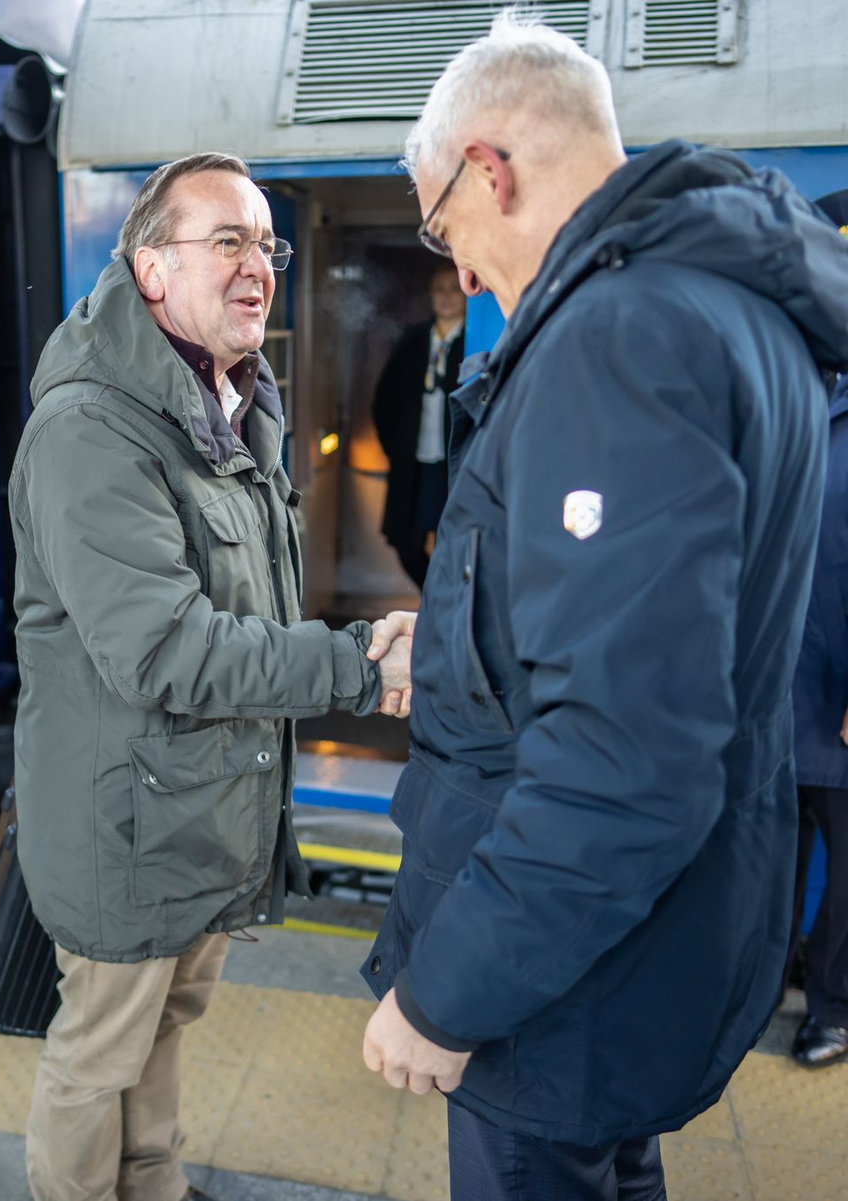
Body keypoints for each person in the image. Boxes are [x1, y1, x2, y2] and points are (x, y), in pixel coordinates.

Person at [358, 14, 848, 1200]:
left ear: (492, 167)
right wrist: (467, 642)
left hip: (550, 995)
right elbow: (676, 640)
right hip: (635, 957)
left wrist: (442, 995)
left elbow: (625, 757)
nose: (459, 270)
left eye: (444, 225)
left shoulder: (620, 337)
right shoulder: (730, 312)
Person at [9, 152, 409, 1201]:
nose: (259, 265)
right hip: (122, 827)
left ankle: (157, 1183)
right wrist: (357, 662)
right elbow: (166, 647)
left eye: (266, 243)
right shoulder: (92, 429)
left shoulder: (230, 404)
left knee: (166, 1025)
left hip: (193, 812)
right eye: (225, 240)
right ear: (151, 271)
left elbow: (249, 612)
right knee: (98, 1055)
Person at [788, 192, 848, 1069]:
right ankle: (750, 990)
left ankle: (833, 1005)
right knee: (766, 854)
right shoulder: (789, 376)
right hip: (773, 675)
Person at [372, 261, 466, 588]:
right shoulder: (412, 339)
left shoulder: (476, 341)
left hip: (455, 466)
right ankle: (436, 599)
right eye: (440, 289)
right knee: (405, 541)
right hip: (413, 463)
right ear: (430, 294)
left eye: (454, 288)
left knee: (453, 539)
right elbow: (383, 402)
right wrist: (396, 450)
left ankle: (447, 606)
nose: (447, 296)